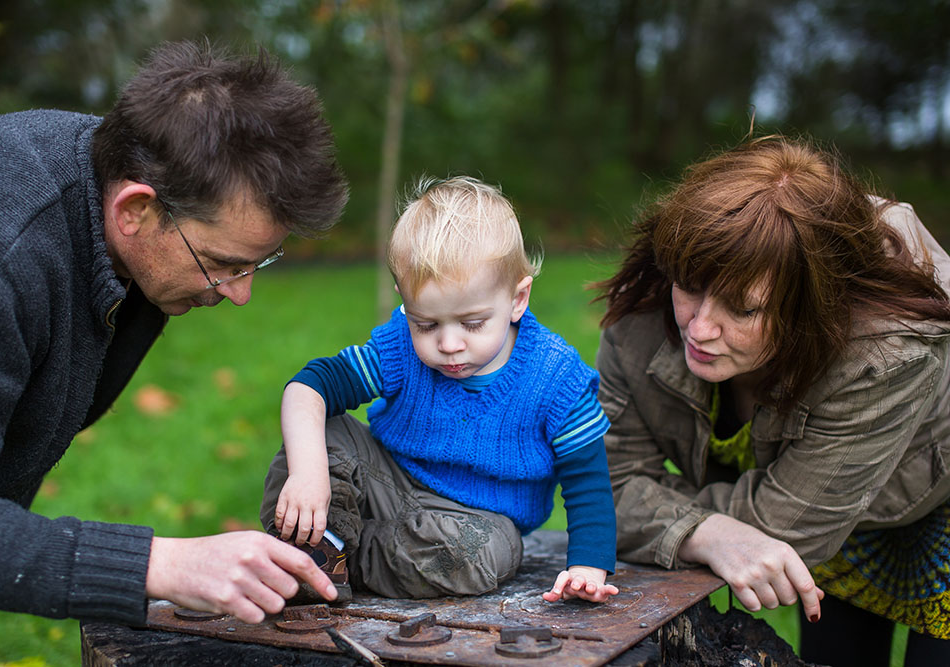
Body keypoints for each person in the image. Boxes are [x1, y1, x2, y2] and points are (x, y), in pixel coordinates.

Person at [0, 39, 349, 663]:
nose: (239, 295)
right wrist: (157, 564)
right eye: (221, 264)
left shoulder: (126, 223)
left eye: (256, 265)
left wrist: (5, 546)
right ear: (135, 210)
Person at [594, 134, 950, 666]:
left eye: (743, 309)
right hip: (833, 520)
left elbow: (788, 526)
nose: (700, 326)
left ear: (812, 312)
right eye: (690, 284)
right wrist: (704, 532)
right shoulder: (642, 316)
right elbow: (601, 485)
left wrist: (667, 516)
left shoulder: (885, 353)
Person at [260, 176, 618, 603]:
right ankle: (315, 543)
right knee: (320, 432)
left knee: (477, 556)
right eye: (426, 325)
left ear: (518, 299)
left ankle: (337, 560)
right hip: (387, 482)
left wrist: (586, 569)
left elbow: (588, 481)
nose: (448, 345)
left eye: (472, 323)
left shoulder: (556, 379)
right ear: (405, 303)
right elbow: (311, 386)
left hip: (479, 521)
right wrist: (308, 472)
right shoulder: (400, 348)